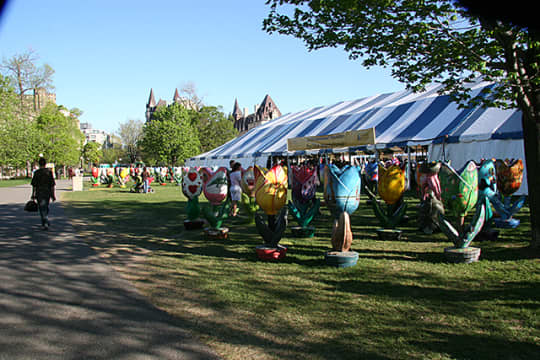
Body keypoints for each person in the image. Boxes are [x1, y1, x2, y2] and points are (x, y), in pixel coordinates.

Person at [31, 157, 56, 230]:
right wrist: (53, 195)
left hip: (39, 192)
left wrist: (33, 194)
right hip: (47, 192)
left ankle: (45, 221)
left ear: (39, 164)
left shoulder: (37, 173)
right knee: (45, 207)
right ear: (45, 164)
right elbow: (52, 185)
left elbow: (34, 185)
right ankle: (45, 222)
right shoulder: (49, 172)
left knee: (42, 208)